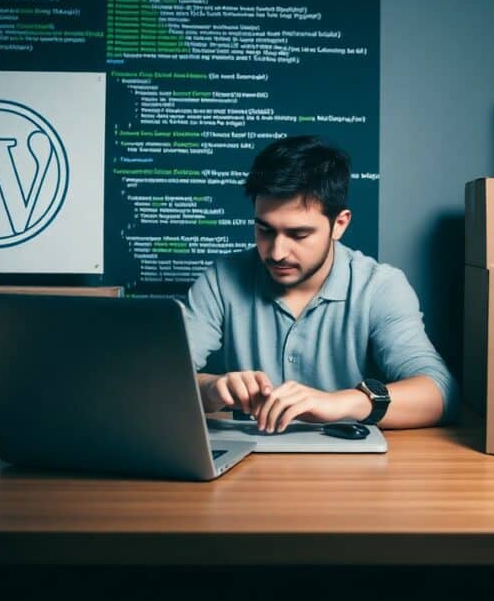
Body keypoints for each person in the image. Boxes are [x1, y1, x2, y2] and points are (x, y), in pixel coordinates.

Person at [183, 136, 456, 433]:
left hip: (353, 469)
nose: (276, 252)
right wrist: (212, 389)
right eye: (264, 230)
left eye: (299, 235)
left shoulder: (380, 286)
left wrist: (342, 403)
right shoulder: (222, 279)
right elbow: (154, 379)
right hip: (250, 463)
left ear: (339, 224)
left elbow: (440, 392)